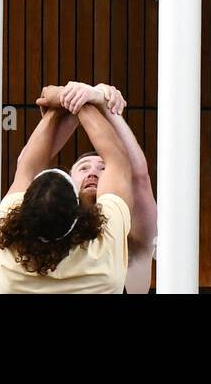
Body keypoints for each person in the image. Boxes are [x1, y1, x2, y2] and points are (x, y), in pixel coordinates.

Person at [0, 80, 134, 292]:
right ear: (79, 211)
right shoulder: (104, 244)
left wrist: (61, 102)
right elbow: (117, 160)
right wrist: (80, 98)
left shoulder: (11, 252)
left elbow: (27, 167)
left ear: (22, 212)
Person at [55, 84, 157, 293]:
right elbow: (29, 165)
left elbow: (139, 178)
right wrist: (79, 102)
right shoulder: (50, 234)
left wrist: (105, 105)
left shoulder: (133, 237)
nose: (92, 173)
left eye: (103, 167)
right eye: (83, 168)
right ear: (69, 183)